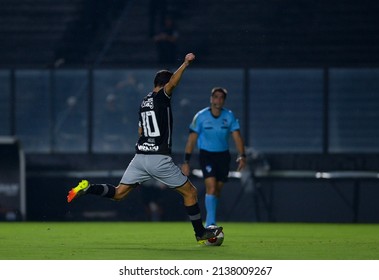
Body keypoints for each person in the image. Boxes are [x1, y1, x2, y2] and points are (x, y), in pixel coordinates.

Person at [66, 53, 222, 244]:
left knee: (118, 193)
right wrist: (185, 64)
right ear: (164, 85)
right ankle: (200, 233)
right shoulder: (162, 97)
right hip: (158, 157)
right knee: (190, 192)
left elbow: (141, 130)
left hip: (140, 157)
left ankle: (88, 188)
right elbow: (173, 83)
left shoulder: (144, 102)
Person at [181, 87, 246, 227]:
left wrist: (242, 155)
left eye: (221, 97)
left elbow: (237, 137)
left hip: (223, 157)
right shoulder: (201, 116)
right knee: (210, 187)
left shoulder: (229, 116)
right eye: (215, 97)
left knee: (217, 190)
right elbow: (191, 140)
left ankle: (211, 219)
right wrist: (186, 161)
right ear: (211, 99)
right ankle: (210, 223)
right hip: (207, 155)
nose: (218, 100)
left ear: (224, 101)